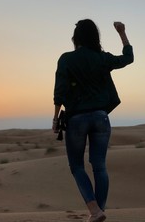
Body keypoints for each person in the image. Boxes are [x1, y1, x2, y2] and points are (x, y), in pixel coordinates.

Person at [53, 19, 133, 222]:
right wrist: (122, 33)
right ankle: (98, 211)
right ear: (95, 37)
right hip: (100, 118)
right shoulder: (101, 58)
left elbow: (60, 92)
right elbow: (128, 58)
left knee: (77, 166)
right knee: (99, 166)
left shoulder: (66, 59)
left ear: (75, 38)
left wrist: (55, 118)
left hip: (76, 119)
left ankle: (95, 211)